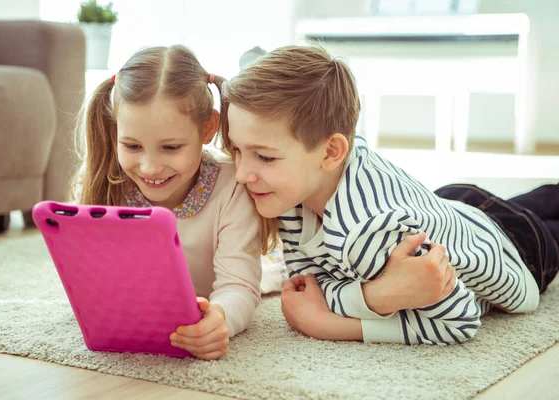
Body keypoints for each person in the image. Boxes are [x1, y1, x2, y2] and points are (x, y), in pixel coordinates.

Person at [220, 45, 559, 345]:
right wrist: (372, 294)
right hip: (453, 207)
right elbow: (311, 285)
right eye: (236, 149)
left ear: (331, 152)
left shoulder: (365, 236)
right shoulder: (294, 188)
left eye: (264, 156)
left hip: (521, 249)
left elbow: (460, 320)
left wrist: (334, 321)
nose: (242, 173)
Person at [71, 45, 262, 360]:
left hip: (220, 288)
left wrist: (221, 317)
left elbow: (239, 287)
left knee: (266, 274)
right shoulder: (102, 184)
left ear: (208, 128)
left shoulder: (233, 187)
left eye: (171, 147)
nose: (149, 168)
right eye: (132, 145)